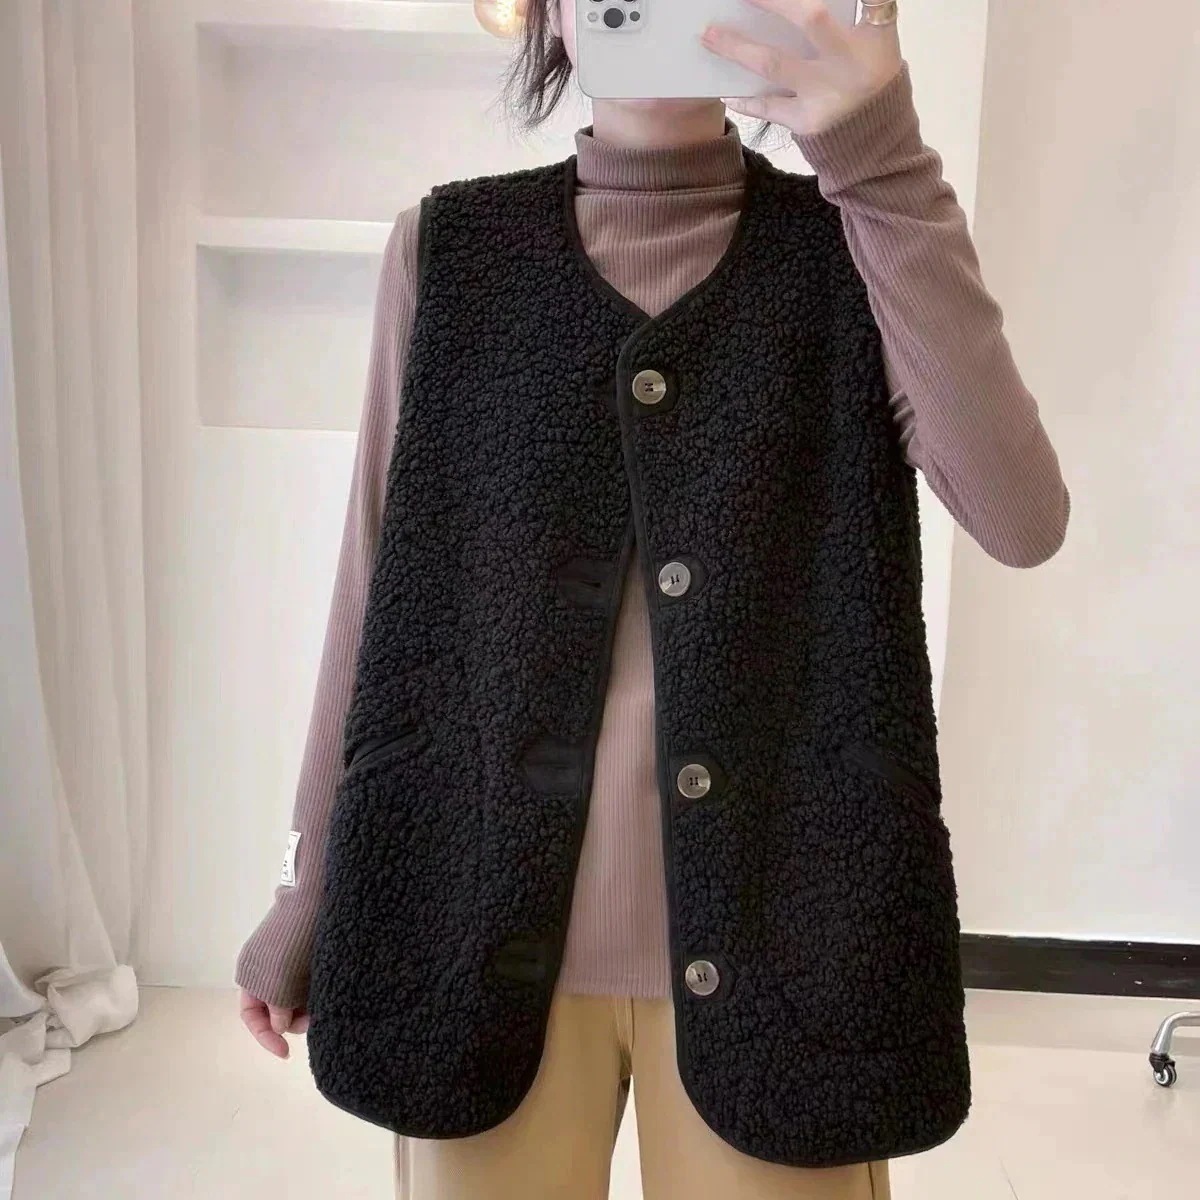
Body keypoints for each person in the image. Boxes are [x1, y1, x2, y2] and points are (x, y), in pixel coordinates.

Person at [235, 1, 1070, 1197]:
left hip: (792, 938)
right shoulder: (450, 253)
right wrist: (303, 883)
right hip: (475, 926)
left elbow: (1021, 519)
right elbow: (378, 587)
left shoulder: (858, 245)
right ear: (553, 16)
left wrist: (879, 155)